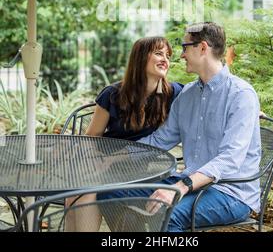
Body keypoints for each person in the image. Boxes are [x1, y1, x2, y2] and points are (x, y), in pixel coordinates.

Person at [99, 22, 261, 232]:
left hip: (231, 192)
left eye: (185, 47)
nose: (181, 55)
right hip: (189, 181)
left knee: (168, 213)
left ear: (202, 48)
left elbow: (230, 159)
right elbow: (159, 140)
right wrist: (116, 156)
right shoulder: (187, 95)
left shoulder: (241, 96)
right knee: (110, 192)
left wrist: (181, 186)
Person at [65, 36, 183, 231]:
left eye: (168, 56)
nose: (165, 60)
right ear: (140, 58)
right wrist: (96, 165)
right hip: (108, 161)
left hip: (147, 167)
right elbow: (91, 137)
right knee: (79, 194)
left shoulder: (173, 93)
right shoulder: (113, 94)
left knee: (84, 193)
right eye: (158, 53)